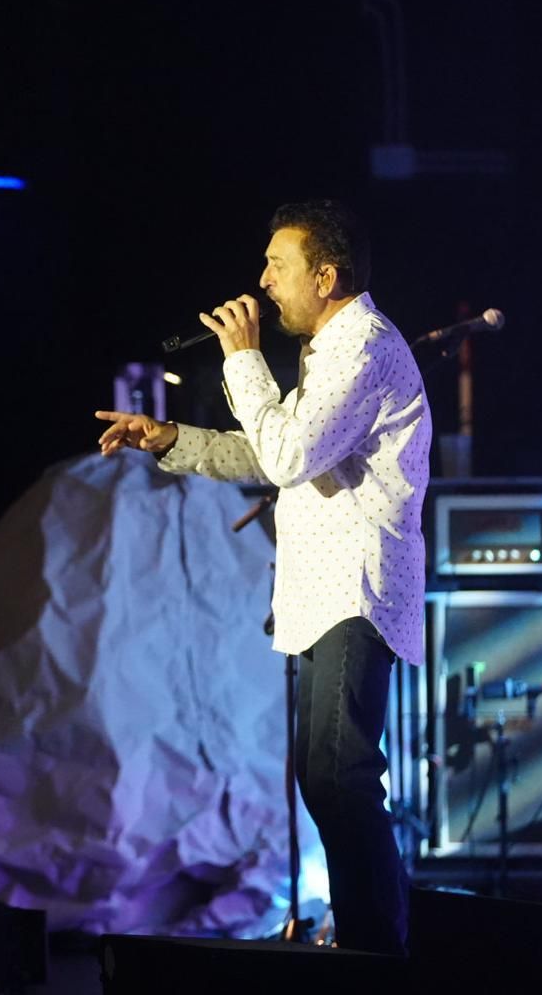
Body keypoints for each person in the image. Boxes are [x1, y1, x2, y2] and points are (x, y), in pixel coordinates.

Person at [94, 199, 430, 955]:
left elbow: (281, 455)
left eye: (277, 266)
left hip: (357, 590)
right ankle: (370, 946)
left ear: (327, 275)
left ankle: (381, 957)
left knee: (342, 776)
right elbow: (279, 452)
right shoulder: (329, 352)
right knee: (323, 778)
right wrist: (172, 437)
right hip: (321, 593)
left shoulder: (365, 347)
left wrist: (240, 356)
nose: (262, 281)